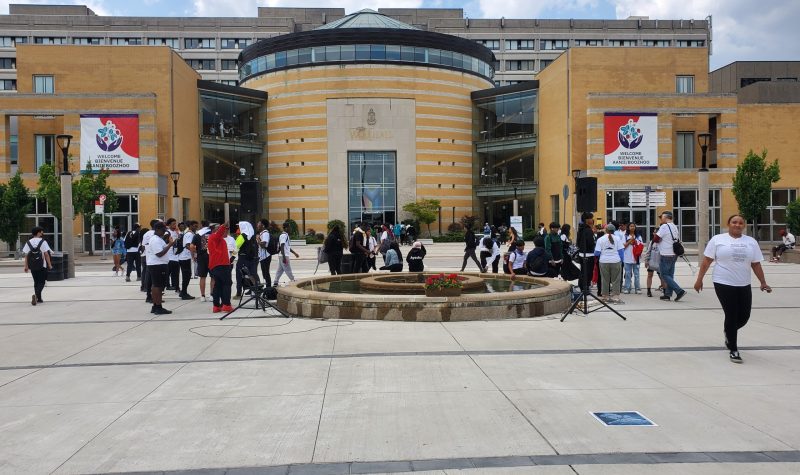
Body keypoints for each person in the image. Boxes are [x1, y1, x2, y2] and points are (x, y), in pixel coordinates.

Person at [694, 214, 771, 363]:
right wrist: (699, 280)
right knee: (731, 314)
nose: (737, 225)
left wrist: (763, 282)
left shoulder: (751, 242)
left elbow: (756, 263)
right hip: (723, 281)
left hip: (743, 283)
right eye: (734, 222)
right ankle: (733, 349)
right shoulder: (717, 240)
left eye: (740, 223)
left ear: (744, 226)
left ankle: (729, 332)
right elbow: (706, 261)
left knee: (744, 316)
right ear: (728, 224)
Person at [654, 211, 686, 302]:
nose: (660, 219)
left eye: (661, 217)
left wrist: (659, 239)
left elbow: (656, 239)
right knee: (670, 275)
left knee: (664, 275)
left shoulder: (664, 226)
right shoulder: (674, 226)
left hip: (666, 254)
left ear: (666, 217)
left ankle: (679, 291)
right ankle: (667, 295)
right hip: (673, 254)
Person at [147, 221, 175, 315]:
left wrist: (166, 241)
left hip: (157, 264)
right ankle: (158, 307)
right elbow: (159, 254)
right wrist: (170, 245)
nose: (164, 232)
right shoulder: (155, 240)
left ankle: (155, 306)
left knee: (156, 285)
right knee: (158, 286)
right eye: (163, 230)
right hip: (157, 265)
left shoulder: (158, 238)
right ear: (157, 229)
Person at [595, 223, 625, 304]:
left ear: (606, 230)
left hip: (604, 261)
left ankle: (605, 297)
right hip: (615, 261)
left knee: (605, 279)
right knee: (616, 280)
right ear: (614, 230)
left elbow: (597, 253)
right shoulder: (618, 239)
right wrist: (622, 261)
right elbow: (621, 251)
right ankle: (616, 298)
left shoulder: (600, 239)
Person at [207, 223, 234, 313]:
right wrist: (223, 225)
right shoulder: (215, 236)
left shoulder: (214, 238)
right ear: (214, 230)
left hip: (215, 265)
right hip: (221, 264)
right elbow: (220, 232)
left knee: (218, 285)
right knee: (227, 284)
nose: (223, 230)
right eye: (218, 228)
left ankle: (216, 306)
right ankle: (226, 305)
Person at [22, 226, 52, 305]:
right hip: (42, 265)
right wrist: (49, 264)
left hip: (32, 265)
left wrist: (26, 266)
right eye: (41, 232)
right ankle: (36, 296)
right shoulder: (43, 241)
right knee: (41, 282)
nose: (42, 233)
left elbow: (26, 256)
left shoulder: (28, 242)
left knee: (36, 282)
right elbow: (46, 254)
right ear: (38, 232)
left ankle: (39, 298)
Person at [234, 221, 258, 297]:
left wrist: (231, 258)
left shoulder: (242, 236)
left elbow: (236, 247)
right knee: (252, 274)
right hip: (252, 259)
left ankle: (238, 293)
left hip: (242, 259)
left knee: (239, 275)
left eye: (239, 227)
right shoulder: (253, 237)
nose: (238, 228)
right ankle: (255, 291)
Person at [575, 212, 596, 293]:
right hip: (588, 254)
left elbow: (578, 242)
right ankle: (585, 287)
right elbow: (591, 243)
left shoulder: (581, 229)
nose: (592, 220)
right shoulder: (588, 230)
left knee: (583, 271)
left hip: (582, 254)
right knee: (588, 272)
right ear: (587, 220)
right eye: (591, 218)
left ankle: (582, 286)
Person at [192, 221, 212, 302]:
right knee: (213, 277)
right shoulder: (212, 233)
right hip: (211, 256)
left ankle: (202, 296)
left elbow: (192, 246)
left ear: (201, 225)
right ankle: (212, 295)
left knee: (202, 277)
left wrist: (195, 254)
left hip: (201, 257)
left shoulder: (197, 235)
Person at [274, 221, 299, 286]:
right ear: (286, 228)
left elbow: (287, 247)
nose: (290, 229)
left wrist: (294, 253)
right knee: (288, 269)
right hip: (284, 255)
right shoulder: (283, 235)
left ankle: (275, 282)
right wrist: (284, 257)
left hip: (282, 255)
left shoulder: (286, 235)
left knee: (280, 270)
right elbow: (282, 246)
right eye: (289, 227)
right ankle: (293, 280)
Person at [177, 220, 196, 300]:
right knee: (186, 276)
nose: (196, 227)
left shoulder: (188, 233)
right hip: (185, 257)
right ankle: (184, 293)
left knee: (187, 275)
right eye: (194, 226)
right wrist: (195, 253)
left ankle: (183, 292)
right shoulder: (189, 234)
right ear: (190, 226)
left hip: (184, 257)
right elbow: (188, 246)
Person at [622, 222, 644, 294]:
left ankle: (637, 288)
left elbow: (641, 246)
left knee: (636, 274)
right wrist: (629, 241)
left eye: (633, 226)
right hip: (627, 258)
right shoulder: (625, 236)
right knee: (628, 274)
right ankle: (627, 288)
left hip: (636, 258)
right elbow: (623, 246)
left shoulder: (638, 236)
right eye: (631, 226)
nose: (632, 227)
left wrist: (634, 241)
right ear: (628, 227)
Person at [256, 219, 273, 286]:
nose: (257, 225)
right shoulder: (262, 233)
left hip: (266, 256)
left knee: (266, 274)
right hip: (263, 256)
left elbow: (263, 245)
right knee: (265, 274)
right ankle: (268, 288)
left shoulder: (265, 233)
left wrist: (258, 239)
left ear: (262, 225)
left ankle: (269, 290)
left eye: (259, 223)